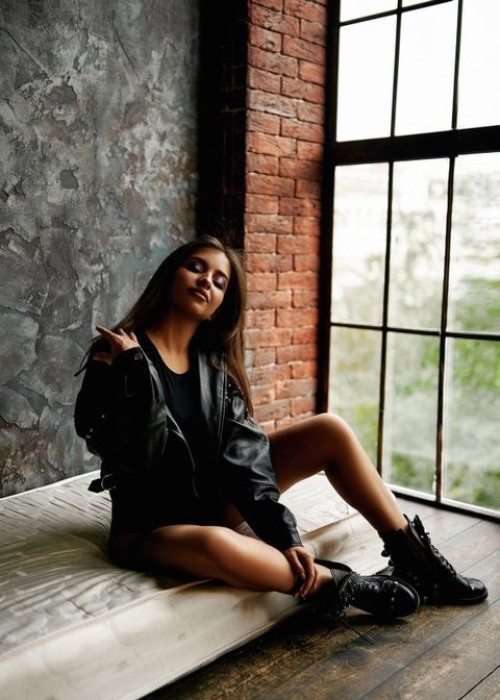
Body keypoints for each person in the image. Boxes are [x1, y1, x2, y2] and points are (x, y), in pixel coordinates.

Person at [74, 235, 487, 622]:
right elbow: (138, 460)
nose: (206, 281)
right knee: (214, 543)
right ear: (170, 276)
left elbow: (246, 457)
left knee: (330, 429)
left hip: (213, 500)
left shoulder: (215, 368)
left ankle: (418, 561)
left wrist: (286, 537)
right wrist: (136, 375)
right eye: (196, 267)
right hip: (151, 524)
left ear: (219, 306)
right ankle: (337, 583)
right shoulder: (118, 354)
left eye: (219, 281)